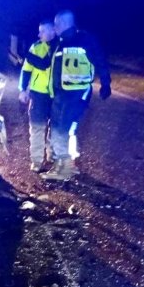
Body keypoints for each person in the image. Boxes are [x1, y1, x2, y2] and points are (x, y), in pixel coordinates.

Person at [24, 10, 111, 180]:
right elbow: (44, 64)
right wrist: (26, 56)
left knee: (60, 129)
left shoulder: (84, 39)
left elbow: (100, 61)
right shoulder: (59, 43)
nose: (54, 28)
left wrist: (106, 83)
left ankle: (62, 169)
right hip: (62, 95)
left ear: (63, 24)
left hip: (74, 94)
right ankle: (65, 165)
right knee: (63, 128)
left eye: (56, 25)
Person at [18, 20, 56, 173]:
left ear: (53, 31)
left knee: (56, 128)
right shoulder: (36, 47)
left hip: (56, 95)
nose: (39, 34)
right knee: (37, 128)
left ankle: (52, 156)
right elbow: (26, 71)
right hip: (38, 94)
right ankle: (37, 161)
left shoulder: (60, 47)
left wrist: (25, 54)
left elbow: (44, 64)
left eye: (43, 31)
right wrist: (23, 90)